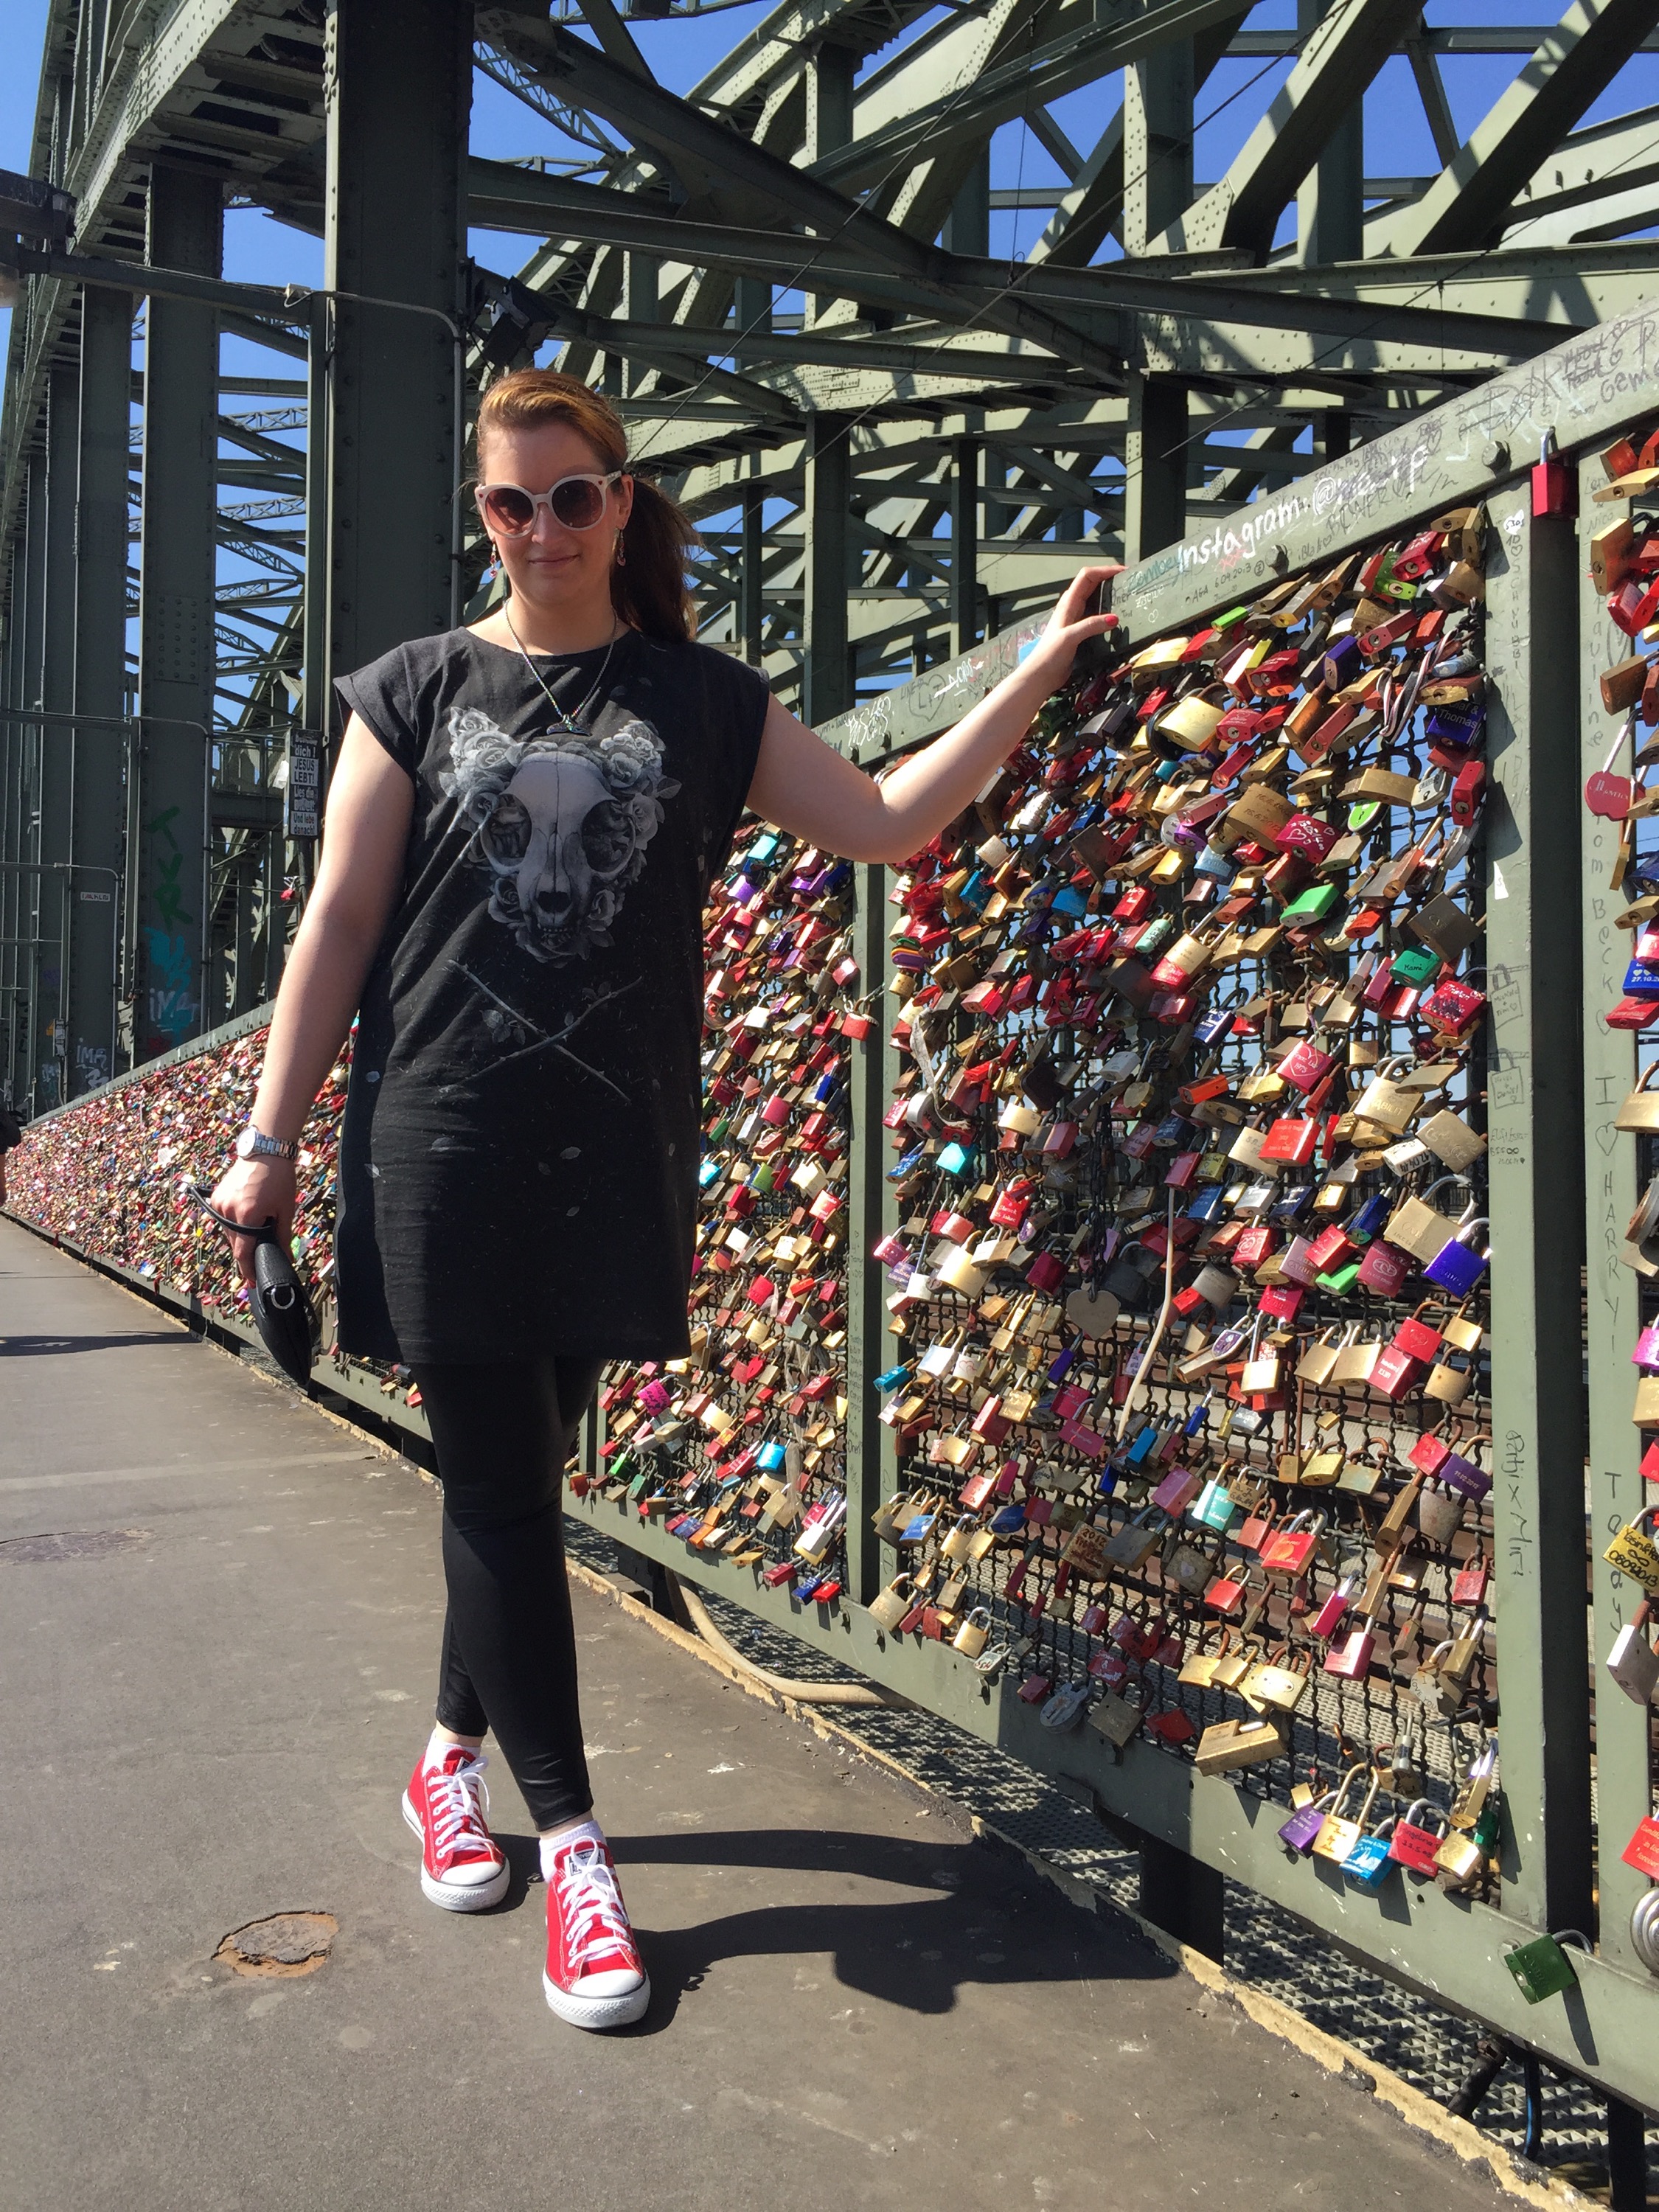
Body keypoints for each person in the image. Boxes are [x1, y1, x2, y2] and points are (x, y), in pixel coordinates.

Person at [209, 368, 1117, 2032]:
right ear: (484, 516)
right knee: (500, 1491)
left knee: (520, 1479)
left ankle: (445, 1761)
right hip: (442, 1135)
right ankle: (576, 1856)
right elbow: (337, 919)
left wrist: (1033, 671)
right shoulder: (413, 689)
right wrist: (268, 1140)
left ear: (622, 502)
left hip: (615, 1144)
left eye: (573, 495)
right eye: (511, 502)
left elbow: (891, 827)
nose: (544, 528)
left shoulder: (704, 700)